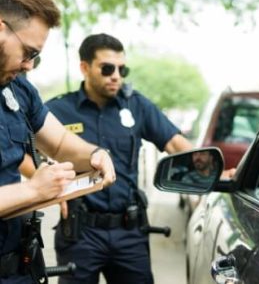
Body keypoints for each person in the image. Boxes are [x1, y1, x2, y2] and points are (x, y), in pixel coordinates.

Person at [32, 33, 193, 284]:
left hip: (129, 232)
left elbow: (175, 143)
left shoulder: (136, 105)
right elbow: (26, 150)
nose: (116, 75)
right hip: (79, 232)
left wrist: (211, 168)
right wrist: (45, 181)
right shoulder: (58, 109)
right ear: (85, 67)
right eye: (107, 68)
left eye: (121, 69)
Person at [0, 0, 115, 283]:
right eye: (29, 53)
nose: (29, 66)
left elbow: (61, 143)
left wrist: (95, 154)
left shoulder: (18, 89)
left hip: (17, 267)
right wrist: (32, 189)